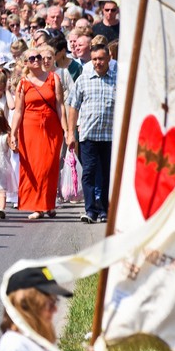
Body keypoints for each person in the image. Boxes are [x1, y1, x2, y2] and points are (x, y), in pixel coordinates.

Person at [10, 48, 66, 219]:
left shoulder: (53, 78)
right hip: (29, 128)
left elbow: (60, 105)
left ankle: (48, 204)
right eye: (32, 58)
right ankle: (38, 206)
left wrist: (67, 130)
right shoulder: (23, 83)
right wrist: (13, 134)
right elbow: (18, 111)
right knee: (33, 168)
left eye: (39, 57)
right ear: (26, 62)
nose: (37, 60)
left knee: (49, 167)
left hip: (51, 128)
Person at [67, 44, 117, 224]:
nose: (98, 62)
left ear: (109, 59)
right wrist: (70, 133)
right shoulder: (84, 79)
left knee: (106, 174)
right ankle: (90, 211)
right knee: (88, 172)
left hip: (111, 136)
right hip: (88, 135)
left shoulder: (118, 79)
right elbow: (73, 105)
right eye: (95, 59)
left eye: (101, 59)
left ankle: (104, 210)